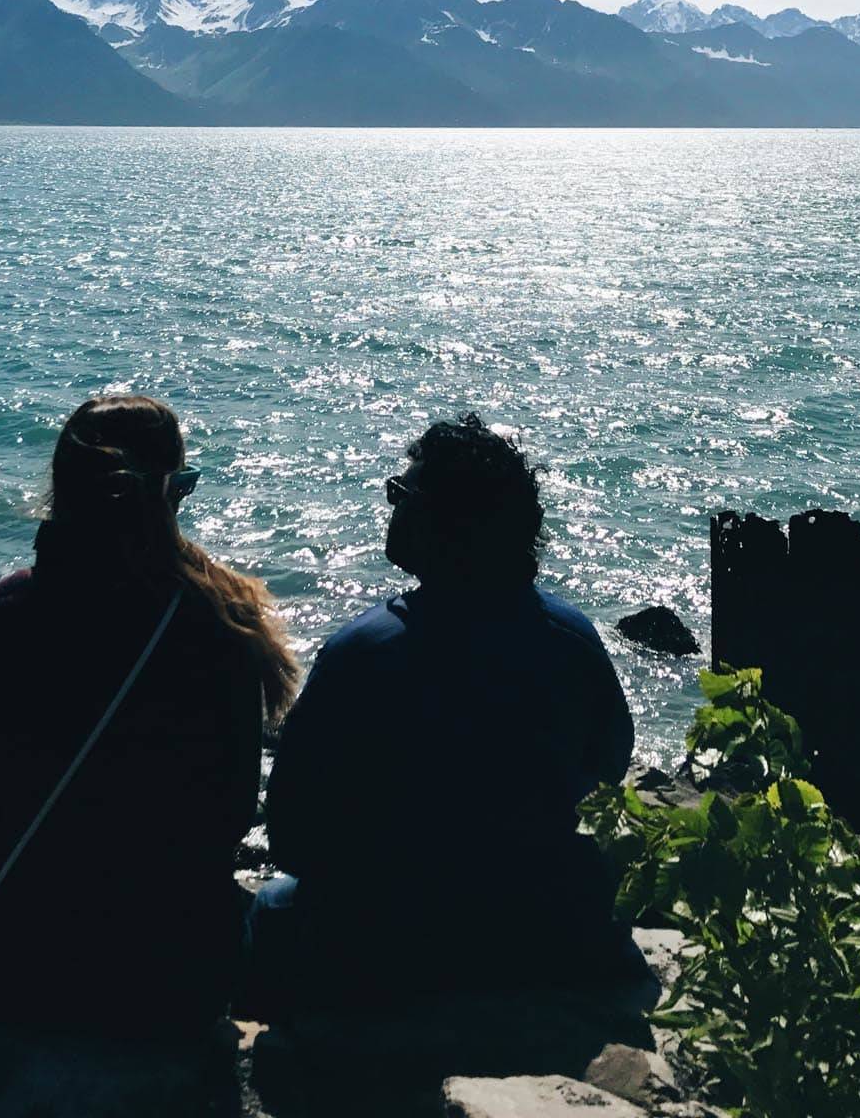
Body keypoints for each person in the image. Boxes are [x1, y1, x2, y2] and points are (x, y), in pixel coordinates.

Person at [250, 413, 635, 1012]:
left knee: (269, 906)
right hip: (536, 926)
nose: (391, 507)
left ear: (446, 523)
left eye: (401, 495)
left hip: (392, 942)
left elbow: (294, 836)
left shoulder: (363, 654)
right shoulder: (572, 639)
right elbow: (607, 770)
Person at [0, 393, 298, 1032]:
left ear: (60, 491)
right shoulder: (221, 624)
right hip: (175, 965)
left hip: (34, 959)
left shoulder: (1, 618)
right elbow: (228, 813)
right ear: (168, 493)